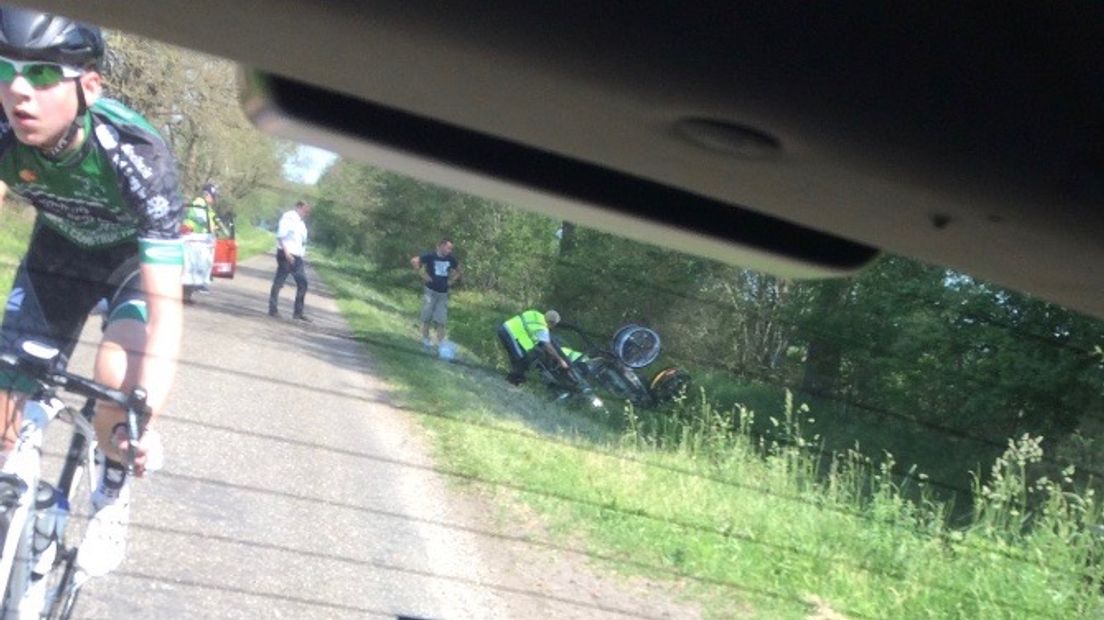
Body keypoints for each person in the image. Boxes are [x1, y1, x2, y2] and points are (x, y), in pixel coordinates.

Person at [0, 8, 184, 577]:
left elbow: (168, 311)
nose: (18, 90)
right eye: (4, 70)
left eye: (45, 75)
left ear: (90, 86)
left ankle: (110, 489)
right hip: (57, 256)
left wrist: (142, 416)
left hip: (130, 266)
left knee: (117, 380)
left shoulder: (137, 154)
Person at [497, 309, 570, 385]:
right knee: (521, 359)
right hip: (511, 334)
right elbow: (548, 347)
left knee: (518, 358)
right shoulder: (542, 327)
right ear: (552, 323)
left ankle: (514, 379)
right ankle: (511, 382)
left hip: (505, 327)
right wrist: (560, 360)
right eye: (554, 324)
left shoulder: (535, 313)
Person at [410, 238, 459, 348]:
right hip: (430, 291)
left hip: (443, 293)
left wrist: (451, 281)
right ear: (441, 246)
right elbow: (414, 261)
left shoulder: (451, 259)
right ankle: (425, 340)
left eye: (451, 249)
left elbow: (458, 271)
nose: (449, 251)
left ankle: (441, 343)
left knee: (441, 319)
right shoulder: (431, 256)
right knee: (426, 316)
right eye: (448, 248)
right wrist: (423, 274)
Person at [268, 200, 311, 321]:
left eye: (307, 212)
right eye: (305, 210)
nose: (306, 213)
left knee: (303, 283)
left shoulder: (301, 223)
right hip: (286, 254)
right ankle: (273, 309)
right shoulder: (289, 218)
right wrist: (286, 253)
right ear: (299, 207)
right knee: (279, 282)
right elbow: (281, 236)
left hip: (297, 256)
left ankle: (298, 312)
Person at [181, 182, 218, 301]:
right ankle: (185, 294)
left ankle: (187, 295)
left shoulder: (207, 207)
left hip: (200, 240)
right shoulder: (199, 203)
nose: (214, 199)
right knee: (190, 267)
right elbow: (204, 221)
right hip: (192, 238)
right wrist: (212, 228)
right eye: (213, 196)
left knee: (195, 268)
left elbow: (211, 222)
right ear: (207, 195)